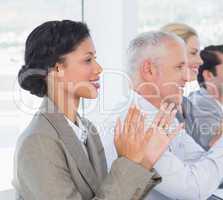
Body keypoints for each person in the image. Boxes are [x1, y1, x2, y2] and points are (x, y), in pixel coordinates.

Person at [13, 20, 181, 200]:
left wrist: (146, 160)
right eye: (87, 60)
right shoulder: (38, 142)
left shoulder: (87, 129)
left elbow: (108, 195)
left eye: (95, 59)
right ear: (57, 68)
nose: (99, 69)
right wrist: (129, 163)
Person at [103, 31, 223, 200]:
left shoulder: (163, 116)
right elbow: (194, 190)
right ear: (149, 70)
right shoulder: (137, 124)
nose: (187, 77)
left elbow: (211, 173)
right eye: (179, 67)